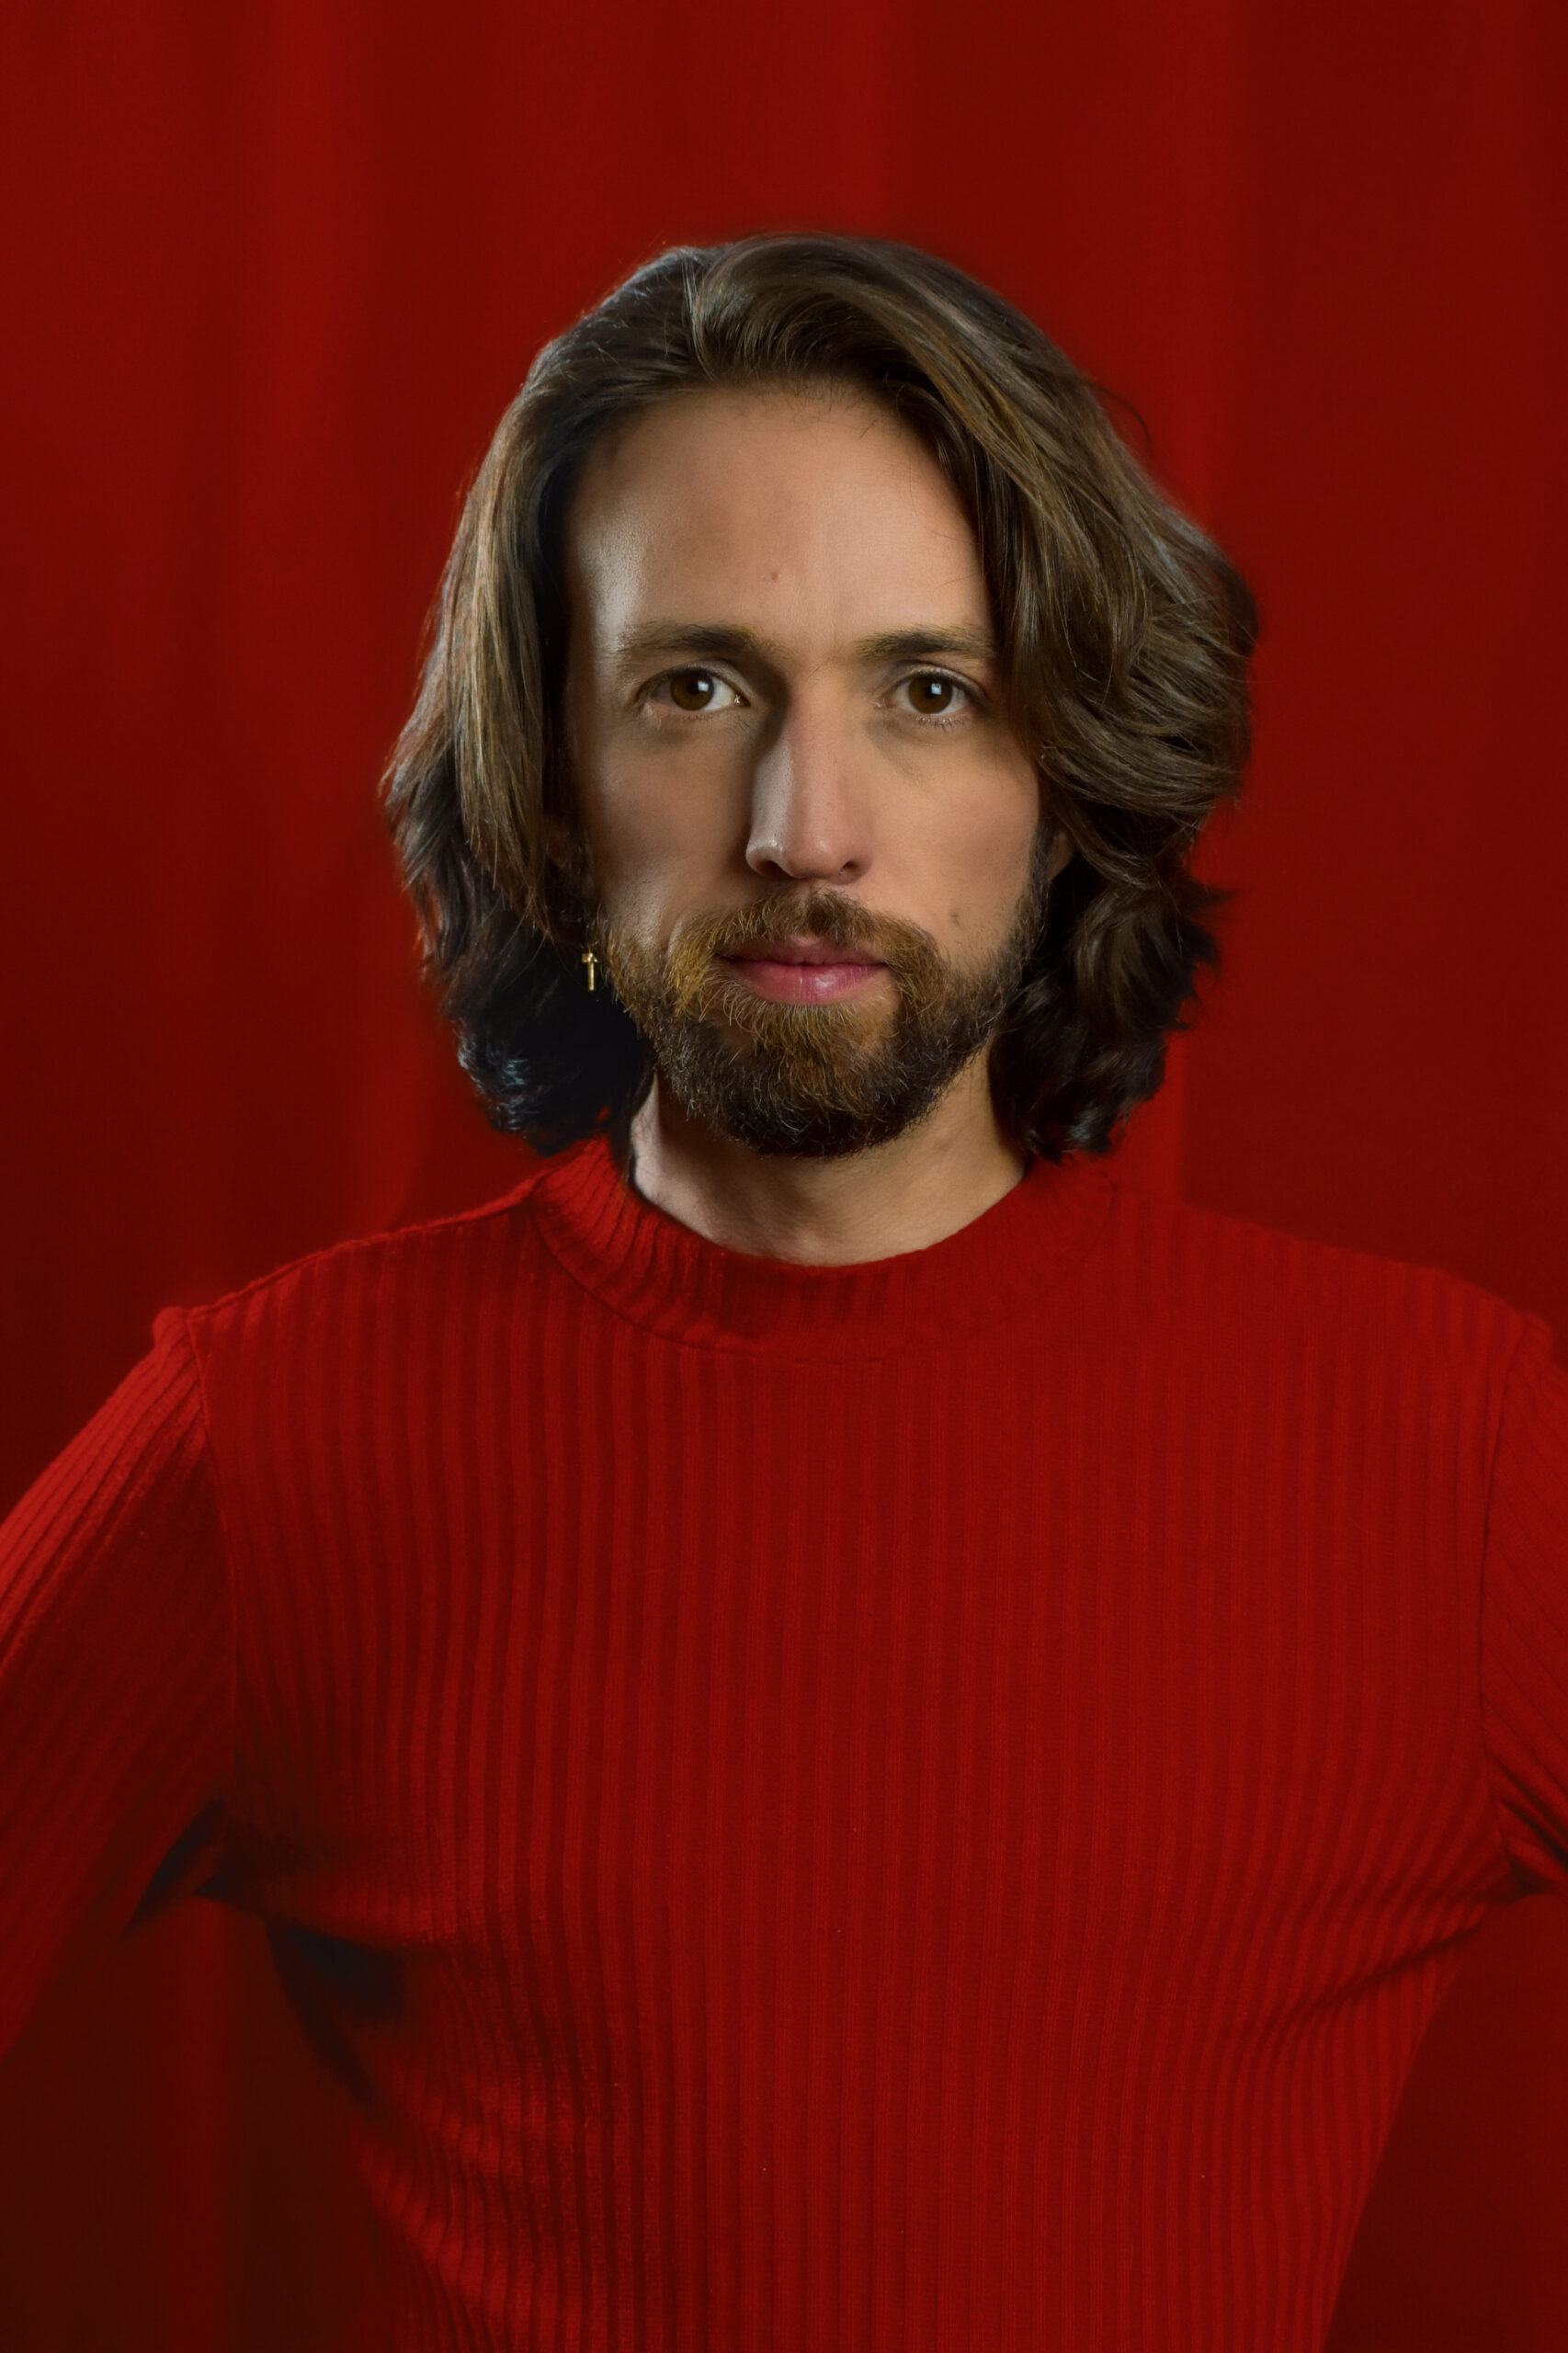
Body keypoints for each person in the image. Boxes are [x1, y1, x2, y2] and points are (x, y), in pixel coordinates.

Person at [1, 231, 1564, 2352]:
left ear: (1064, 784)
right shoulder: (273, 1440)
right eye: (698, 689)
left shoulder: (1445, 1453)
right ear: (553, 784)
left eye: (928, 692)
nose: (803, 828)